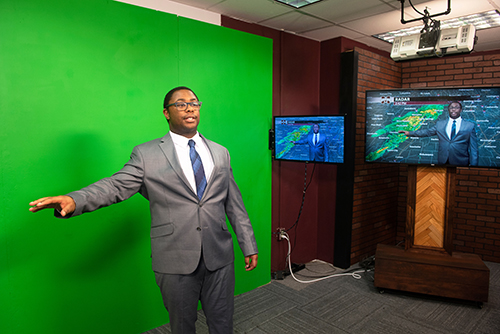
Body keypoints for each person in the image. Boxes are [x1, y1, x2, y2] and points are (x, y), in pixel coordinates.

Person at [29, 86, 259, 334]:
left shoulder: (220, 152)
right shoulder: (146, 154)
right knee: (182, 326)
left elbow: (234, 203)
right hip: (175, 258)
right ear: (166, 113)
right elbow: (116, 185)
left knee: (223, 323)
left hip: (220, 255)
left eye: (194, 102)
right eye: (181, 104)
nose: (190, 107)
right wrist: (75, 200)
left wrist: (248, 244)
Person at [399, 101, 478, 166]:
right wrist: (410, 133)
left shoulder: (469, 126)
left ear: (461, 110)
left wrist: (473, 166)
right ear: (448, 109)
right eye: (451, 108)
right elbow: (427, 132)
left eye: (456, 107)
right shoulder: (440, 124)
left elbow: (473, 148)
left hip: (461, 162)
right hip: (443, 161)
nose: (453, 110)